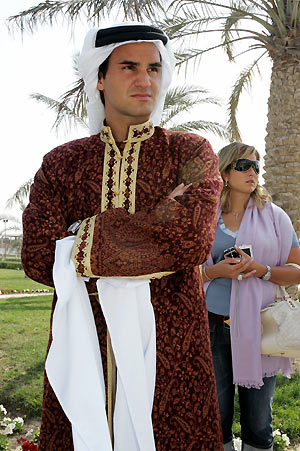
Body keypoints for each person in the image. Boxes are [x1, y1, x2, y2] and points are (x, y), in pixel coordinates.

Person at [21, 24, 224, 450]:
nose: (144, 79)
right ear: (99, 77)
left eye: (153, 68)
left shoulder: (190, 152)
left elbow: (190, 238)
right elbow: (38, 254)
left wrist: (77, 236)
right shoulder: (63, 163)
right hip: (85, 343)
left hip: (172, 346)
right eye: (128, 67)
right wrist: (158, 219)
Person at [202, 142, 300, 451]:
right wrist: (216, 271)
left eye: (256, 166)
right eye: (244, 166)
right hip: (212, 326)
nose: (252, 172)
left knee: (258, 421)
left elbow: (297, 269)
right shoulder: (205, 217)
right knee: (215, 415)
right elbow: (184, 272)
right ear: (226, 171)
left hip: (261, 326)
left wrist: (263, 270)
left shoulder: (275, 217)